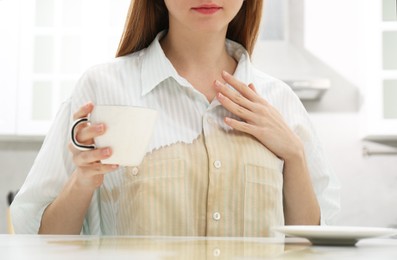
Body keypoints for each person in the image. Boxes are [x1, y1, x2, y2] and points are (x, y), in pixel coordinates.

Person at [11, 0, 340, 236]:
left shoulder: (281, 102)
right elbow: (39, 243)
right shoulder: (103, 89)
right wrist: (83, 180)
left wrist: (294, 155)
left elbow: (312, 245)